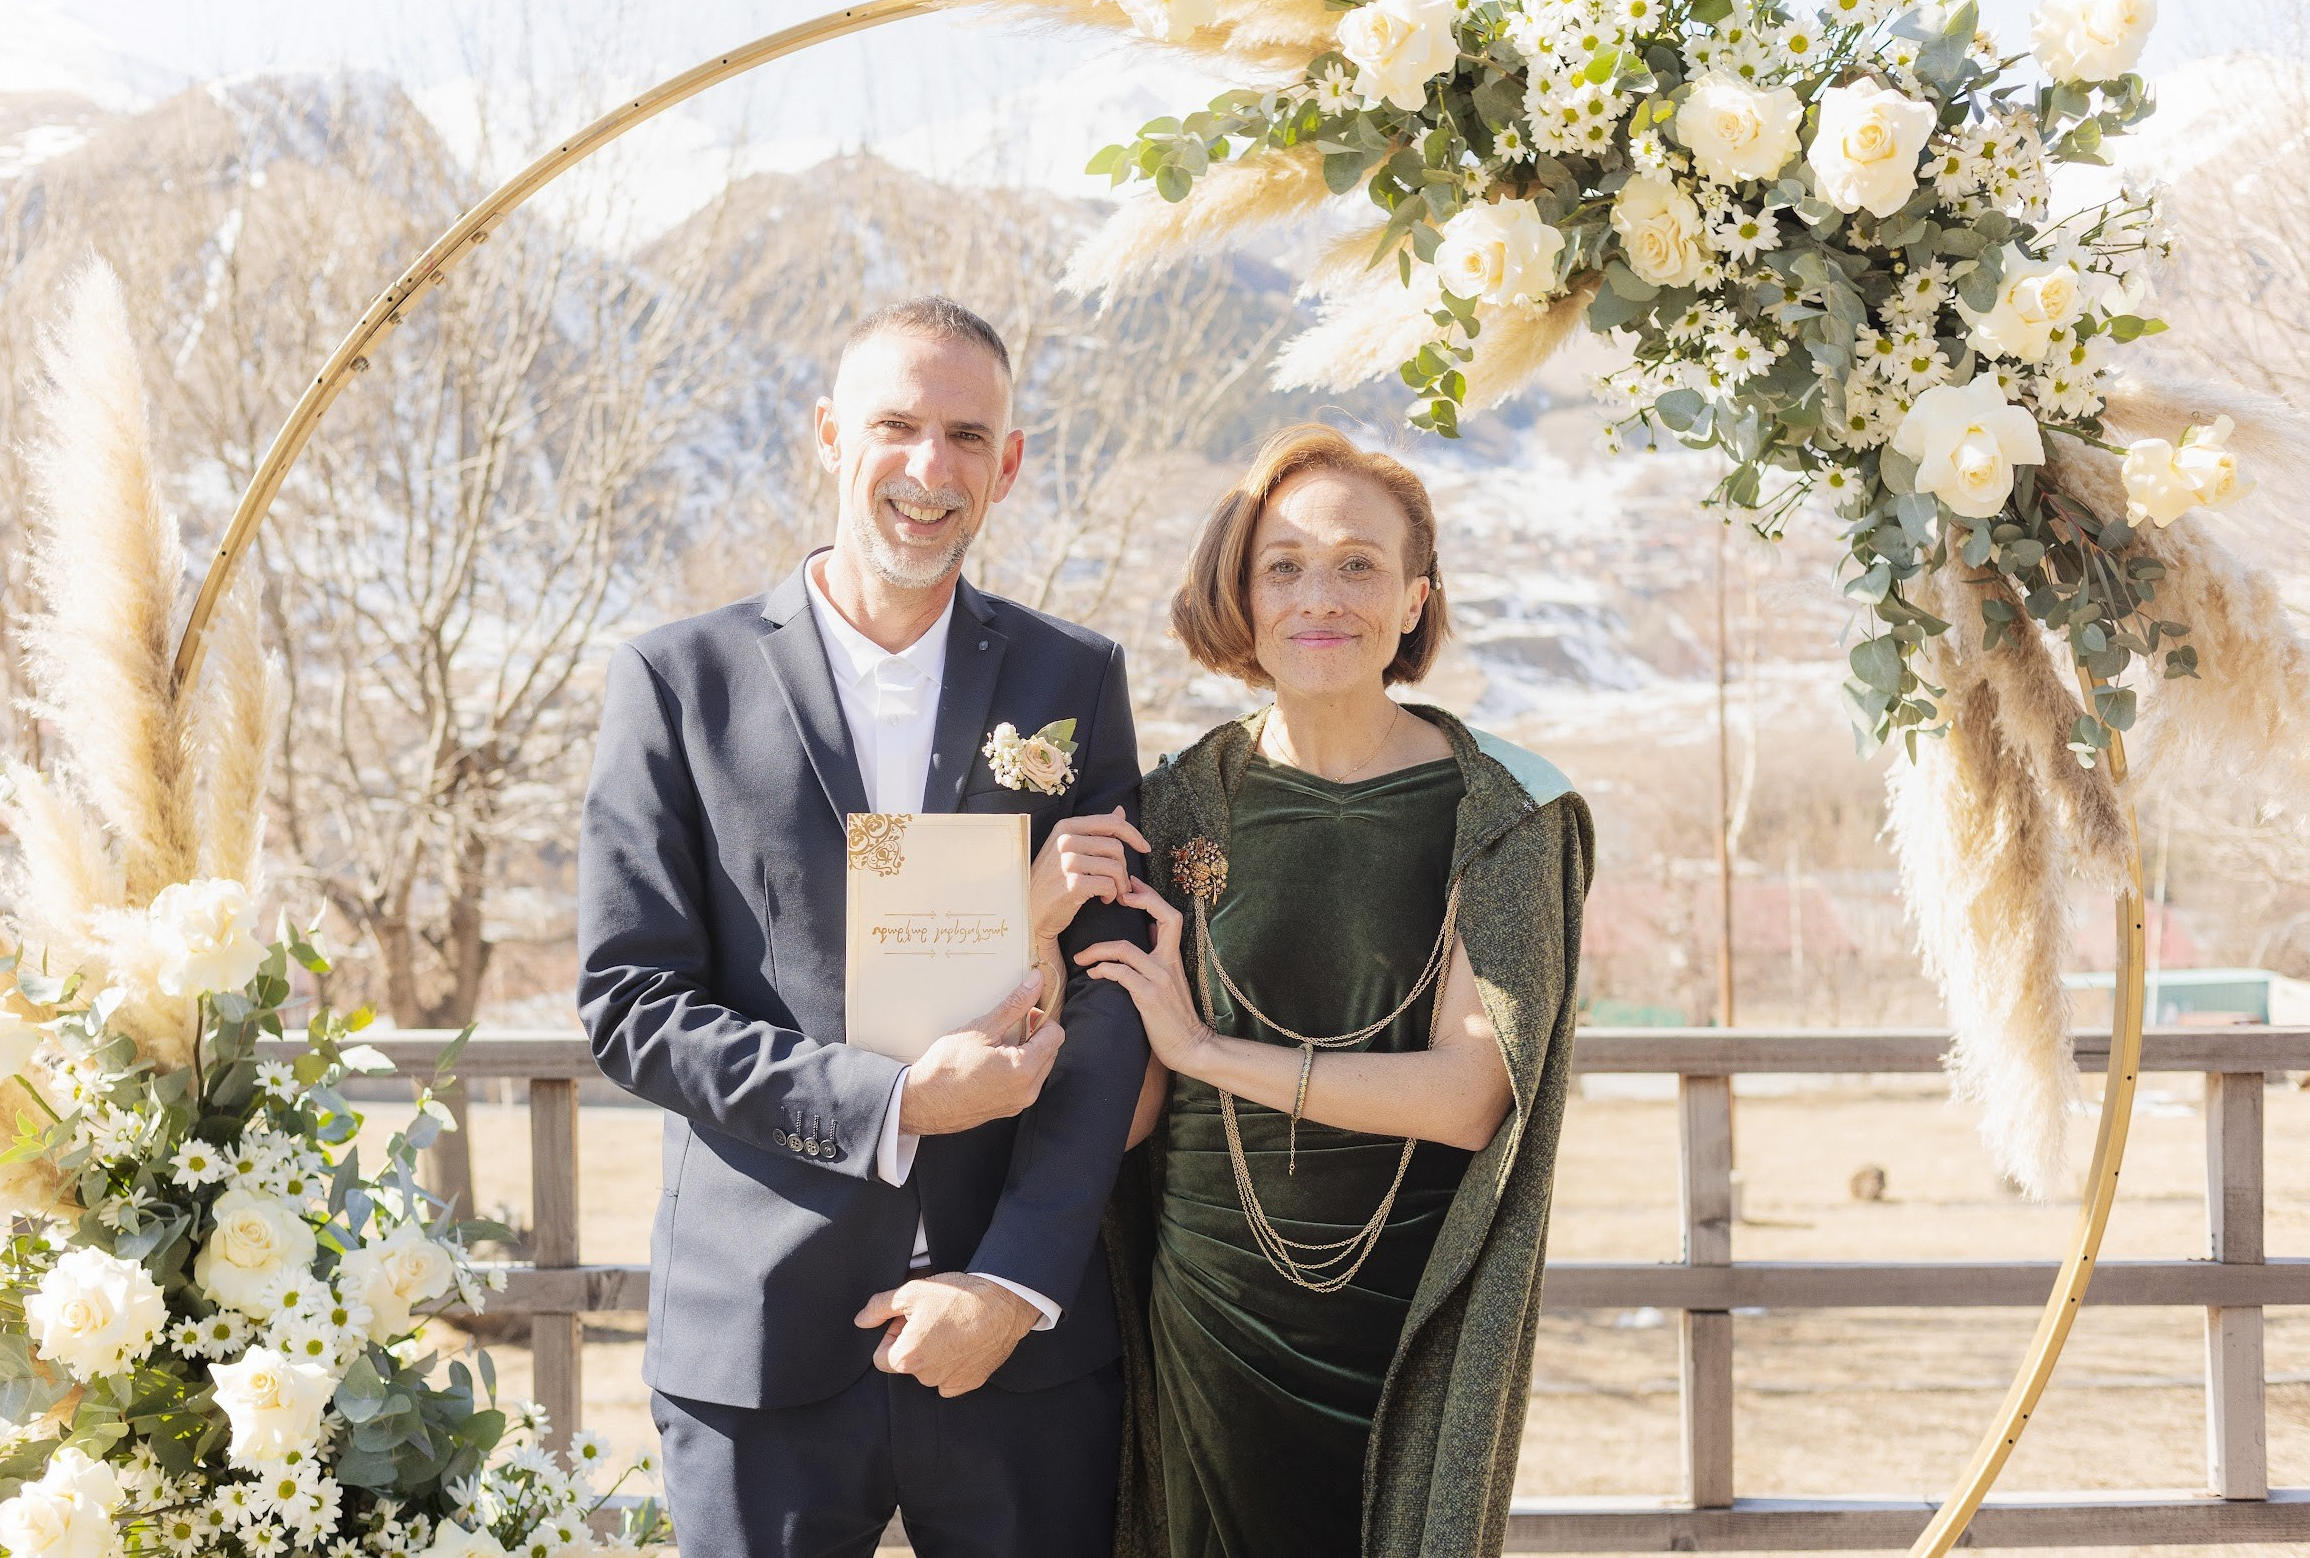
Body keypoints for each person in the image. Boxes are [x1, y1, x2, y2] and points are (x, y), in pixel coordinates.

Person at [575, 296, 1153, 1558]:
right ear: (830, 435)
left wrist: (1012, 1279)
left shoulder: (1074, 680)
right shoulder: (676, 682)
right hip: (760, 1336)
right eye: (896, 424)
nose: (927, 469)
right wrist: (892, 1101)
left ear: (1008, 462)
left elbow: (1114, 996)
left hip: (1020, 1344)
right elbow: (630, 1002)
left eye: (965, 433)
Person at [1034, 424, 1594, 1558]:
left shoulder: (1505, 812)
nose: (1317, 596)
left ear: (1412, 599)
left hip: (1411, 1298)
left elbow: (1469, 1096)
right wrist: (1039, 943)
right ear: (1239, 596)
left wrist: (1213, 1053)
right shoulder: (1177, 800)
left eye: (1357, 563)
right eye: (1280, 565)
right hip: (1210, 1303)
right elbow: (1128, 1100)